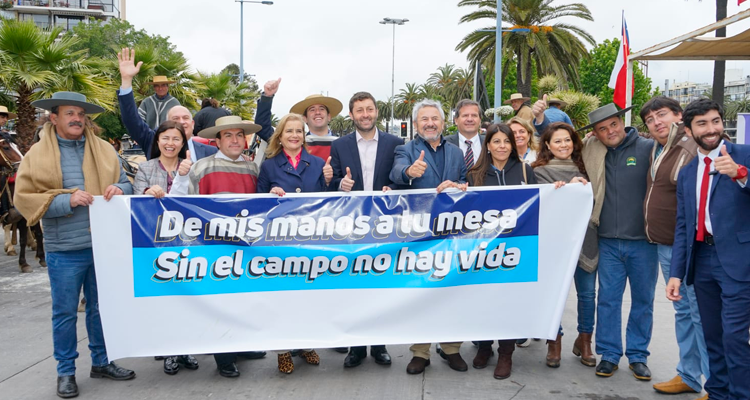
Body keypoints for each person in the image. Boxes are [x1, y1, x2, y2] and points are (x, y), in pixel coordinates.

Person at [13, 91, 136, 398]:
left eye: (81, 114)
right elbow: (25, 198)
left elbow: (127, 182)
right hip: (64, 250)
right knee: (65, 313)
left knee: (100, 308)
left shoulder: (105, 151)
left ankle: (102, 361)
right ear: (54, 118)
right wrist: (65, 201)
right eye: (70, 113)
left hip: (103, 245)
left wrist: (118, 188)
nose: (77, 119)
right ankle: (65, 372)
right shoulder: (36, 155)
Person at [667, 98, 750, 400]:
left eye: (715, 121)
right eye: (702, 123)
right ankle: (717, 393)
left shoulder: (743, 155)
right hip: (702, 261)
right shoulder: (688, 172)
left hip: (738, 262)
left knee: (735, 337)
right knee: (712, 336)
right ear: (688, 130)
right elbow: (683, 225)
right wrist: (676, 273)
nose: (712, 128)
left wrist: (740, 174)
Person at [180, 115, 264, 377]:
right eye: (228, 135)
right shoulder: (201, 167)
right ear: (217, 140)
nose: (235, 140)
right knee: (222, 302)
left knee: (244, 300)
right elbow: (185, 206)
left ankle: (241, 346)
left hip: (247, 248)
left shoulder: (252, 168)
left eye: (239, 134)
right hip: (214, 248)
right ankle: (224, 357)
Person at [389, 99, 468, 375]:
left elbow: (465, 181)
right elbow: (396, 172)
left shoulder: (457, 153)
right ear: (415, 124)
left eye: (435, 118)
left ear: (443, 123)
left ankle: (451, 348)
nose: (430, 123)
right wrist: (409, 172)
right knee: (421, 292)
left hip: (452, 233)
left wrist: (461, 185)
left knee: (450, 291)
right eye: (424, 119)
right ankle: (420, 352)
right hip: (419, 233)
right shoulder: (406, 149)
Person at [579, 103, 658, 381]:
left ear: (622, 123)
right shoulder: (594, 152)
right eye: (602, 129)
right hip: (608, 242)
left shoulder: (648, 149)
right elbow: (555, 139)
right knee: (608, 301)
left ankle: (638, 356)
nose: (609, 131)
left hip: (644, 242)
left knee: (643, 301)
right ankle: (610, 355)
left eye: (613, 124)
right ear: (595, 135)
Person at [329, 91, 403, 368]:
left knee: (382, 285)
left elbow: (402, 178)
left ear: (376, 112)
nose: (365, 114)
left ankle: (380, 346)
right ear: (351, 115)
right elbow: (332, 180)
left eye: (369, 109)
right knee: (355, 286)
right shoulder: (340, 145)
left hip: (386, 225)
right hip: (352, 226)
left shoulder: (395, 143)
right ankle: (357, 348)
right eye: (359, 110)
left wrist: (393, 188)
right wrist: (340, 184)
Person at [639, 97, 707, 396]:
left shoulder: (692, 146)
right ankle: (689, 375)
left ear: (679, 116)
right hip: (666, 246)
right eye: (650, 119)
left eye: (662, 115)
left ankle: (715, 384)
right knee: (683, 313)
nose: (656, 122)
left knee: (699, 315)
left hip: (690, 248)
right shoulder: (660, 148)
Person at [256, 112, 331, 373]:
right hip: (280, 245)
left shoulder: (318, 163)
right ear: (280, 135)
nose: (295, 135)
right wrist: (269, 195)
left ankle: (306, 344)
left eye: (299, 131)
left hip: (311, 242)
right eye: (289, 131)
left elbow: (326, 202)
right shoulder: (268, 165)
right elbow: (257, 204)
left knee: (309, 297)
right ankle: (283, 350)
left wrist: (334, 183)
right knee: (283, 298)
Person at [464, 122, 536, 379]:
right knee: (483, 300)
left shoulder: (526, 171)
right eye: (496, 141)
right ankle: (484, 347)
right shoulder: (474, 175)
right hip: (484, 252)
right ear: (488, 145)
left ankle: (506, 353)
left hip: (518, 251)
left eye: (506, 141)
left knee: (510, 303)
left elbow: (541, 203)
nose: (502, 146)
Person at [532, 122, 597, 369]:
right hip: (554, 242)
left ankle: (585, 340)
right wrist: (554, 193)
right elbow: (539, 208)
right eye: (557, 141)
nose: (563, 145)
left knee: (588, 294)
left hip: (586, 238)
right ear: (547, 145)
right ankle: (554, 340)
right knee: (554, 292)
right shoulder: (538, 172)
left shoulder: (588, 168)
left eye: (567, 140)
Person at [117, 48, 217, 161]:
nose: (181, 122)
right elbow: (134, 120)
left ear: (192, 123)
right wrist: (126, 80)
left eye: (185, 118)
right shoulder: (152, 142)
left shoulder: (211, 153)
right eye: (175, 119)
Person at [289, 93, 344, 161]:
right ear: (305, 119)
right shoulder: (298, 145)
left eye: (321, 109)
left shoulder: (342, 144)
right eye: (312, 110)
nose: (317, 112)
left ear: (329, 117)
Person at [445, 99, 485, 170]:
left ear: (480, 120)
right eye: (465, 115)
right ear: (456, 120)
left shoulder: (489, 142)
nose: (470, 119)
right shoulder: (444, 144)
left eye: (474, 115)